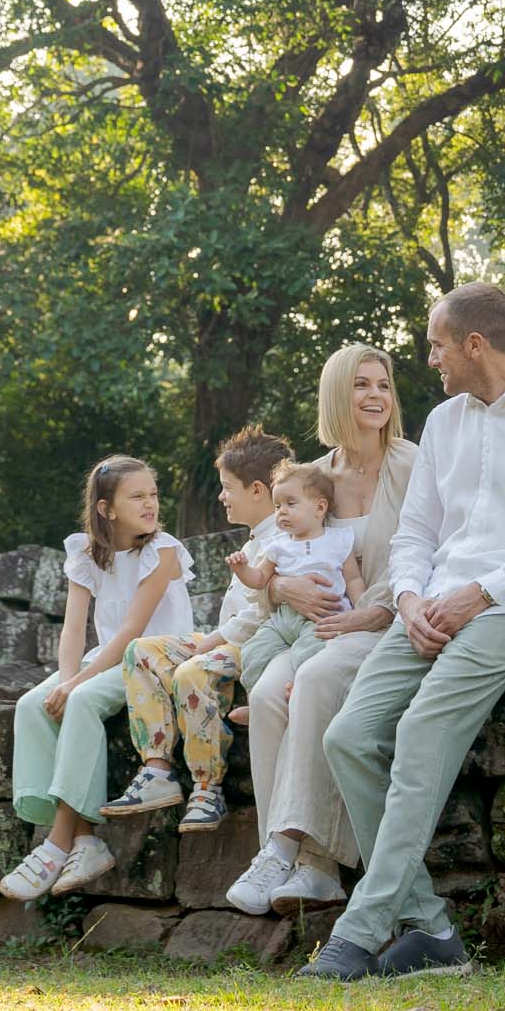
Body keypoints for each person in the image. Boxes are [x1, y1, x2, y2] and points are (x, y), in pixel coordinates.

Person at [301, 281, 505, 982]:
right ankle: (433, 928)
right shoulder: (443, 421)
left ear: (474, 343)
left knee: (421, 730)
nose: (430, 357)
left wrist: (483, 591)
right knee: (348, 735)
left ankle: (363, 928)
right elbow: (417, 531)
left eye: (437, 343)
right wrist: (408, 597)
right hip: (430, 607)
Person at [224, 343, 418, 919]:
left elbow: (435, 552)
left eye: (383, 385)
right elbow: (275, 559)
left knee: (315, 681)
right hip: (318, 625)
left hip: (389, 621)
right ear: (337, 395)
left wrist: (376, 610)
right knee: (263, 694)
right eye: (361, 385)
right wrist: (280, 589)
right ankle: (283, 860)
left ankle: (310, 860)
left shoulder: (415, 466)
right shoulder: (314, 478)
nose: (376, 396)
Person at [0, 455, 195, 900]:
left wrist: (77, 687)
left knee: (83, 701)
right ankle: (85, 840)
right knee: (32, 704)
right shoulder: (86, 553)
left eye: (153, 494)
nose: (150, 504)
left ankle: (56, 844)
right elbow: (72, 629)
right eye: (137, 496)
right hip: (106, 659)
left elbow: (131, 632)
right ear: (106, 508)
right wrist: (67, 679)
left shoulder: (162, 551)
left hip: (153, 660)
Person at [102, 425, 291, 834]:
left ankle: (207, 787)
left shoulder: (285, 538)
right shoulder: (257, 536)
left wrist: (211, 642)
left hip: (255, 646)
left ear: (257, 489)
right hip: (225, 637)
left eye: (227, 487)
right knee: (141, 651)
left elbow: (262, 615)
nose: (221, 495)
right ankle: (156, 770)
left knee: (192, 672)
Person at [228, 463, 362, 701]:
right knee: (254, 650)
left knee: (312, 651)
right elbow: (259, 579)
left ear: (320, 508)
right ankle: (252, 698)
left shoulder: (339, 541)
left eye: (291, 503)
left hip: (322, 619)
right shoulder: (277, 545)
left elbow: (353, 579)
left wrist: (362, 610)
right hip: (282, 619)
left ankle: (297, 689)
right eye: (277, 505)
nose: (281, 512)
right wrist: (241, 569)